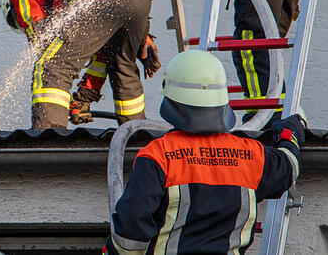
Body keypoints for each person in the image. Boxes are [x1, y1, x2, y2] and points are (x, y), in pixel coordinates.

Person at [104, 49, 305, 254]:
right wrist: (291, 132)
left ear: (172, 98)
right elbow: (289, 167)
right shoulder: (251, 155)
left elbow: (130, 232)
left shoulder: (158, 155)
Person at [1, 0, 160, 129]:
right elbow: (102, 55)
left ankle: (49, 136)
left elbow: (38, 31)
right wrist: (84, 96)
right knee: (122, 65)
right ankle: (135, 135)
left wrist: (45, 50)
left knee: (51, 64)